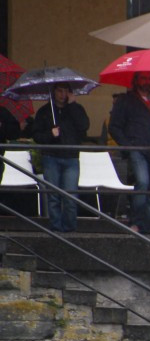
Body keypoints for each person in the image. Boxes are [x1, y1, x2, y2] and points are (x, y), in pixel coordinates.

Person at [109, 71, 150, 234]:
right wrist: (128, 146)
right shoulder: (125, 101)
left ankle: (145, 226)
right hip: (136, 149)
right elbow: (114, 127)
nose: (147, 81)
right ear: (136, 80)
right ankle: (136, 222)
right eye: (143, 78)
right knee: (142, 183)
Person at [32, 83, 89, 233]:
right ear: (53, 92)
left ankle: (70, 228)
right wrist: (50, 134)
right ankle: (56, 228)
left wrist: (73, 106)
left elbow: (84, 127)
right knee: (53, 196)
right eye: (59, 91)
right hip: (51, 157)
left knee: (70, 196)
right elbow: (37, 135)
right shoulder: (44, 111)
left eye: (66, 91)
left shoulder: (76, 109)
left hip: (71, 157)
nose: (62, 94)